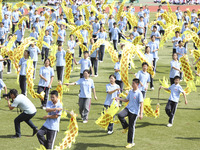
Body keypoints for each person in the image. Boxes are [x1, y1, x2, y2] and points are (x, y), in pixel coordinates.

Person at [117, 78, 143, 148]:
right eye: (132, 83)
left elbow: (141, 103)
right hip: (128, 109)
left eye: (133, 83)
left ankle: (130, 143)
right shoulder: (131, 91)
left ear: (137, 84)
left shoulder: (139, 93)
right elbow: (126, 100)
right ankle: (125, 126)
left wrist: (141, 114)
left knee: (131, 127)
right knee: (120, 115)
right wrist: (119, 98)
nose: (132, 84)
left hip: (134, 112)